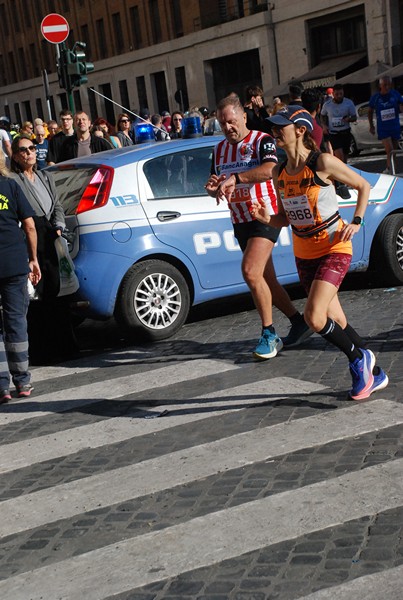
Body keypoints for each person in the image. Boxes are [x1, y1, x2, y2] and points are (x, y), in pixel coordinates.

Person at [250, 105, 388, 400]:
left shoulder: (322, 161)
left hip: (335, 246)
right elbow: (286, 217)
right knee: (336, 320)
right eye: (273, 128)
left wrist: (357, 221)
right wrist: (266, 218)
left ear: (300, 131)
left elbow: (362, 185)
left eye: (280, 128)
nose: (275, 133)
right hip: (305, 253)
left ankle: (357, 360)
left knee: (314, 317)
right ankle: (376, 375)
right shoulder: (280, 172)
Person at [205, 95, 312, 360]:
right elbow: (219, 182)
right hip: (239, 219)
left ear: (242, 116)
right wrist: (213, 189)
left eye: (231, 121)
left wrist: (236, 178)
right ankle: (299, 321)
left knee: (250, 272)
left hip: (266, 215)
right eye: (222, 124)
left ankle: (269, 333)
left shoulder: (261, 140)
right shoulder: (218, 150)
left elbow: (269, 169)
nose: (228, 127)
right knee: (266, 279)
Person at [10, 134, 79, 363]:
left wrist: (59, 226)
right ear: (16, 156)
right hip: (32, 239)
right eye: (23, 150)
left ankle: (66, 346)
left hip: (52, 236)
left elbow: (57, 205)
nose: (29, 153)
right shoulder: (14, 181)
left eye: (31, 148)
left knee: (59, 292)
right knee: (39, 297)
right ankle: (43, 350)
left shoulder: (44, 177)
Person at [0, 152, 41, 402]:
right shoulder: (10, 186)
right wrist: (33, 258)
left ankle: (1, 387)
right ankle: (22, 381)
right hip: (13, 262)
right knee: (16, 321)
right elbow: (29, 225)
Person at [320, 83, 357, 198]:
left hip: (345, 132)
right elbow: (322, 115)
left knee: (344, 159)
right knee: (339, 157)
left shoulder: (348, 103)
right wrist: (324, 126)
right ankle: (340, 183)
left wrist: (348, 119)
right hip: (334, 134)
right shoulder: (327, 105)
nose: (339, 96)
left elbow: (354, 117)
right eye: (337, 94)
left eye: (341, 93)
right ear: (333, 94)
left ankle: (343, 180)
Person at [368, 75, 403, 174]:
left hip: (395, 126)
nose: (387, 87)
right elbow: (370, 111)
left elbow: (401, 105)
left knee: (394, 151)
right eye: (385, 85)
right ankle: (390, 169)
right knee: (390, 150)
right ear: (380, 85)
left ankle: (391, 169)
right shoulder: (376, 97)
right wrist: (371, 126)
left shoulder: (395, 94)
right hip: (383, 128)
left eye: (389, 85)